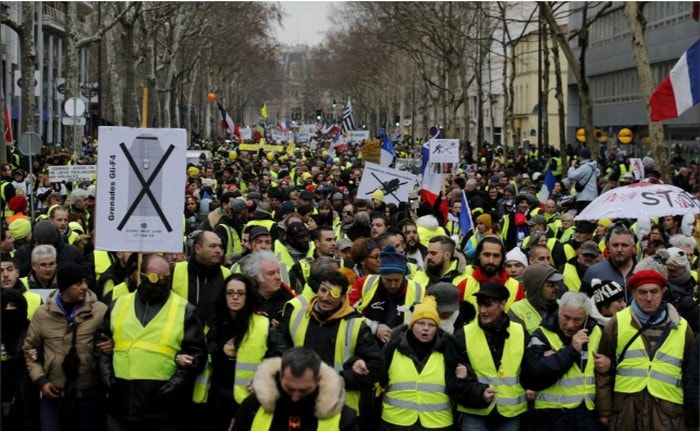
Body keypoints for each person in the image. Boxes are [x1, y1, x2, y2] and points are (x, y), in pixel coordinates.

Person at [96, 254, 206, 431]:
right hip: (121, 405)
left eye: (165, 278)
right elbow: (100, 345)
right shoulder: (118, 305)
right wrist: (108, 378)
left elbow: (196, 356)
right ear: (142, 275)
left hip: (161, 411)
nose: (160, 283)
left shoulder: (184, 310)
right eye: (155, 277)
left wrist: (172, 387)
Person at [279, 270, 384, 426]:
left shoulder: (355, 325)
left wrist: (339, 378)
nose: (325, 297)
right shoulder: (297, 316)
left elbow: (375, 366)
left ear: (343, 298)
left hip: (340, 410)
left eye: (333, 294)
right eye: (323, 290)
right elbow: (280, 351)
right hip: (299, 404)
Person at [596, 269, 695, 430]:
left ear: (663, 292)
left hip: (667, 412)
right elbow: (602, 370)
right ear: (633, 293)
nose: (649, 298)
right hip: (627, 410)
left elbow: (691, 375)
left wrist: (692, 418)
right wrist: (605, 410)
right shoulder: (617, 322)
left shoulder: (682, 327)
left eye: (654, 292)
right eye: (642, 292)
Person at [194, 273, 285, 430]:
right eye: (230, 293)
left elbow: (282, 354)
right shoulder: (213, 324)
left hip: (247, 401)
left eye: (240, 293)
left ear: (247, 296)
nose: (235, 297)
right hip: (214, 399)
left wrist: (265, 377)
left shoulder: (262, 324)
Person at [23, 263, 107, 431]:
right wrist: (41, 381)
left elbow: (112, 342)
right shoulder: (42, 314)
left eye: (85, 282)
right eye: (77, 284)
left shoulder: (100, 311)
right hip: (54, 396)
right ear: (64, 287)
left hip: (89, 396)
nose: (84, 287)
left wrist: (111, 346)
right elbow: (29, 350)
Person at [524, 292, 609, 430]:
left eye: (577, 320)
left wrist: (608, 364)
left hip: (586, 412)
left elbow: (607, 370)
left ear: (586, 318)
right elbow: (534, 372)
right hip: (551, 414)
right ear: (559, 312)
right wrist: (571, 350)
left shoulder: (595, 332)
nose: (570, 325)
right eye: (566, 318)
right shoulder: (542, 334)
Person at [451, 282, 528, 431]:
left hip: (509, 412)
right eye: (480, 305)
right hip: (474, 410)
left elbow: (529, 368)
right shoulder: (463, 335)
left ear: (502, 304)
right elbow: (453, 379)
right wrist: (478, 393)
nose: (483, 310)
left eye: (488, 305)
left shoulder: (520, 332)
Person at [232, 347, 357, 431]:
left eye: (304, 390)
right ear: (280, 375)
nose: (295, 397)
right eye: (290, 389)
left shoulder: (343, 417)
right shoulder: (253, 406)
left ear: (318, 379)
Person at [381, 296, 456, 431]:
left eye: (431, 325)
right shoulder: (393, 347)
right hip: (396, 422)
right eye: (421, 323)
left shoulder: (448, 350)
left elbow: (458, 385)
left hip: (438, 423)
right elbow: (380, 378)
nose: (426, 329)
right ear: (412, 325)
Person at [352, 245, 425, 344]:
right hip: (368, 344)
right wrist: (374, 327)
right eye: (388, 280)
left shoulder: (418, 290)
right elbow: (347, 312)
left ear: (403, 275)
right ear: (380, 275)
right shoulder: (364, 284)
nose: (393, 285)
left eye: (397, 280)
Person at [457, 236, 525, 323]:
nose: (491, 261)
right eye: (487, 255)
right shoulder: (464, 285)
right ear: (478, 256)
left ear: (502, 258)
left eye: (496, 256)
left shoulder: (516, 287)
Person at [172, 231, 231, 324]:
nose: (218, 250)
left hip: (214, 336)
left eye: (220, 246)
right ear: (198, 249)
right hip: (181, 332)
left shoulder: (227, 274)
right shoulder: (175, 271)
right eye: (212, 246)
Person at [239, 250, 296, 327]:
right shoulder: (244, 299)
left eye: (278, 272)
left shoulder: (290, 299)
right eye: (271, 273)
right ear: (256, 277)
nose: (278, 277)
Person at [580, 224, 637, 299]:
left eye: (624, 245)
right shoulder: (594, 272)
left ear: (633, 248)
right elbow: (584, 304)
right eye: (615, 245)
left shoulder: (643, 271)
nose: (619, 249)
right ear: (609, 247)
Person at [508, 265, 563, 334]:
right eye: (550, 284)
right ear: (536, 287)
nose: (557, 287)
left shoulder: (563, 305)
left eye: (557, 283)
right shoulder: (517, 311)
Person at [566, 147, 598, 214]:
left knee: (582, 216)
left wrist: (572, 166)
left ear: (581, 157)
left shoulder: (585, 167)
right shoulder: (592, 166)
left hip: (584, 197)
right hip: (592, 196)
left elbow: (571, 176)